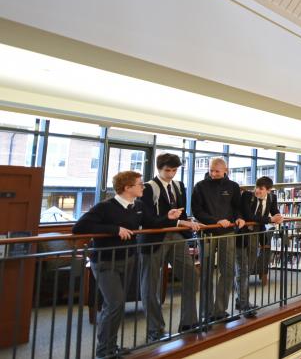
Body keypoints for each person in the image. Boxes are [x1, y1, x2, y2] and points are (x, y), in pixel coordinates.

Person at [73, 171, 148, 359]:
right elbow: (79, 227)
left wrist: (172, 218)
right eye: (140, 184)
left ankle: (111, 346)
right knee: (114, 303)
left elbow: (152, 222)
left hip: (128, 258)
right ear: (127, 187)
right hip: (106, 261)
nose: (143, 187)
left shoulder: (138, 206)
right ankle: (104, 351)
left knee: (117, 304)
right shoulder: (104, 207)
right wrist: (115, 229)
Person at [138, 153, 204, 341]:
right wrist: (174, 221)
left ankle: (189, 321)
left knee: (191, 274)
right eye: (168, 170)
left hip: (176, 237)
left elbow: (181, 214)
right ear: (159, 169)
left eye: (174, 170)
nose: (171, 174)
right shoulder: (148, 188)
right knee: (150, 284)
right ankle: (155, 330)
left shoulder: (179, 186)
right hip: (154, 239)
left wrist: (186, 222)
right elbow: (148, 219)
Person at [191, 157, 245, 322]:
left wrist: (240, 217)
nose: (213, 174)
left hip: (227, 233)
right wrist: (215, 221)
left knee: (227, 272)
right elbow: (197, 211)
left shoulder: (233, 187)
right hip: (207, 233)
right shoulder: (200, 186)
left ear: (225, 171)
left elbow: (238, 207)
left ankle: (220, 311)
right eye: (211, 170)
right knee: (206, 273)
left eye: (217, 171)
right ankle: (206, 313)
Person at [235, 176, 283, 317]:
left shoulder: (272, 198)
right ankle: (244, 304)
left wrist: (278, 216)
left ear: (268, 190)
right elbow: (249, 216)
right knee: (242, 270)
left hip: (256, 234)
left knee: (247, 268)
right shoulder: (247, 196)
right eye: (256, 187)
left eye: (261, 189)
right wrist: (270, 219)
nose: (257, 191)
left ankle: (240, 300)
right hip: (242, 235)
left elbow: (274, 211)